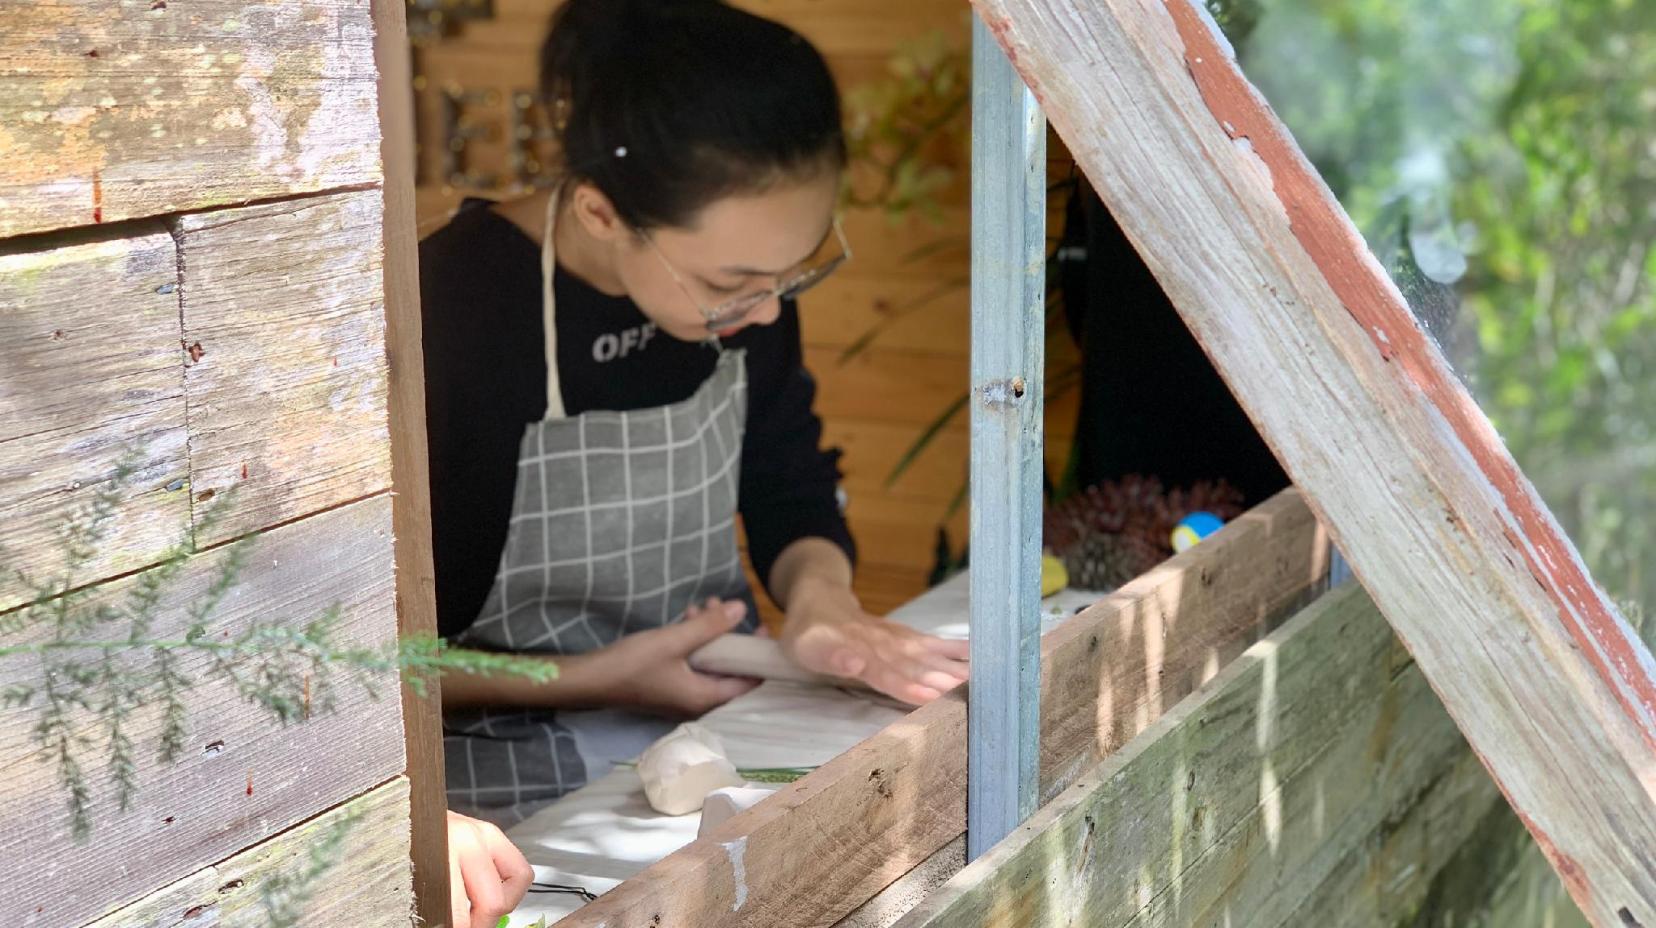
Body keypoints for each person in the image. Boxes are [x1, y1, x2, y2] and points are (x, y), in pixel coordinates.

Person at [420, 0, 968, 826]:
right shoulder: (446, 310)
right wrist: (593, 678)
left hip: (714, 727)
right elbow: (353, 661)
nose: (767, 313)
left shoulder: (752, 294)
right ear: (600, 212)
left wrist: (822, 602)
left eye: (789, 275)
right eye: (727, 284)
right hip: (495, 778)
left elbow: (792, 483)